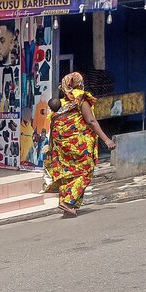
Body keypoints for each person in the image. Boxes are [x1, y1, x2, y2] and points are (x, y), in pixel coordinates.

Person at [44, 72, 116, 217]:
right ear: (78, 83)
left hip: (62, 146)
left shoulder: (61, 103)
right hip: (78, 144)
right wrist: (106, 139)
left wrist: (51, 148)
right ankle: (68, 201)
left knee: (68, 174)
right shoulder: (81, 99)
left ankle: (71, 208)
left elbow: (52, 125)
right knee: (86, 171)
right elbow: (91, 121)